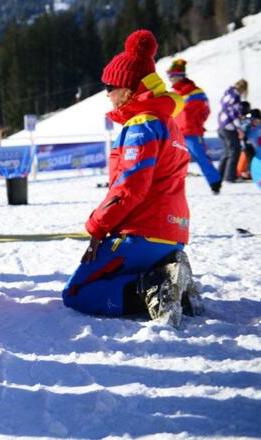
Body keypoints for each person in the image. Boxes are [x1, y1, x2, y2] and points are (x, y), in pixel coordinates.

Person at [60, 30, 199, 327]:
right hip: (172, 233)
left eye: (110, 86)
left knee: (77, 293)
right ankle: (169, 276)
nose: (107, 94)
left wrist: (97, 226)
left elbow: (131, 186)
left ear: (128, 88)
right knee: (116, 273)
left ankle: (153, 288)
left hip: (141, 231)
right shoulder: (168, 122)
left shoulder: (141, 125)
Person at [166, 59, 221, 193]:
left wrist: (197, 123)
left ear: (179, 76)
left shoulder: (196, 92)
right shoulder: (174, 93)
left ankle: (215, 182)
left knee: (201, 157)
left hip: (192, 132)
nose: (170, 79)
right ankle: (169, 188)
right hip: (176, 133)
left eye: (172, 76)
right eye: (169, 76)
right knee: (171, 162)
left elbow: (205, 110)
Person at [217, 79, 248, 183]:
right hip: (229, 127)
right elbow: (233, 114)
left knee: (227, 152)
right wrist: (239, 128)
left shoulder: (227, 94)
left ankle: (219, 175)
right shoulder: (235, 97)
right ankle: (230, 177)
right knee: (235, 152)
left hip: (221, 126)